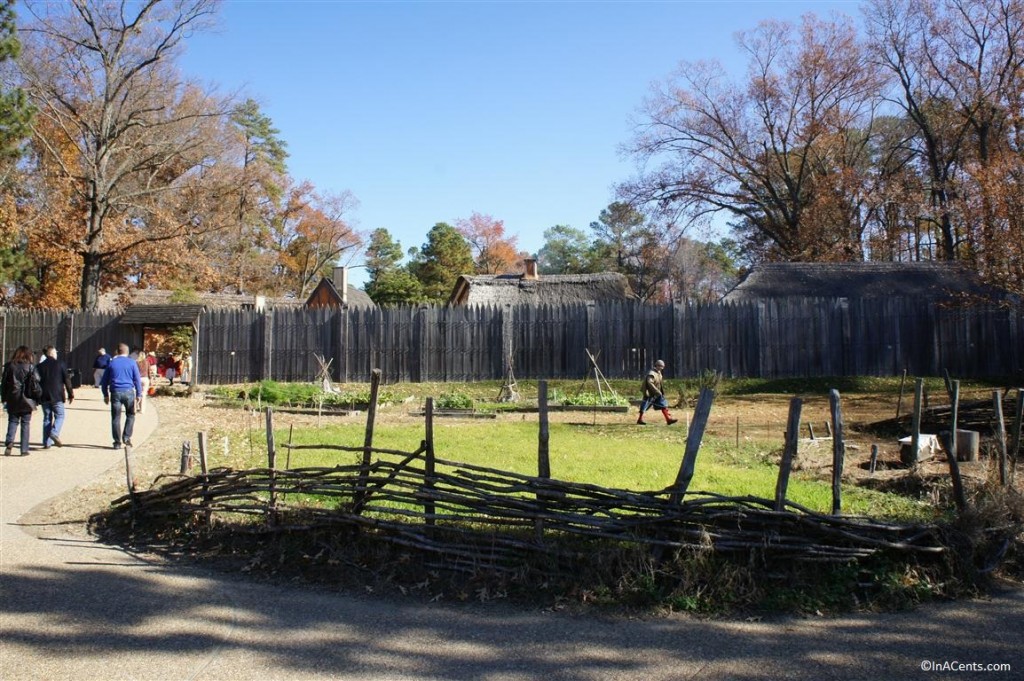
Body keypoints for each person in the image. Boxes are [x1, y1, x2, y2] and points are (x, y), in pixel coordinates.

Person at [1, 346, 42, 456]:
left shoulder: (9, 366)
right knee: (25, 423)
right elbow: (37, 381)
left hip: (13, 398)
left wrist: (3, 398)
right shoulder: (30, 367)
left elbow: (4, 383)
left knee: (13, 421)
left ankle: (9, 441)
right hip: (27, 399)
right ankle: (24, 449)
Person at [101, 343, 143, 449]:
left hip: (115, 392)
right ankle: (127, 437)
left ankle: (117, 442)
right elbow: (137, 379)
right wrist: (139, 394)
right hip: (129, 391)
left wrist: (105, 395)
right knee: (131, 415)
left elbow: (104, 381)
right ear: (127, 352)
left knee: (115, 417)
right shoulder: (132, 363)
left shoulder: (111, 363)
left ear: (117, 351)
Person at [37, 345, 74, 449]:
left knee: (47, 418)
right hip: (57, 395)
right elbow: (67, 380)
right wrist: (70, 394)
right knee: (60, 415)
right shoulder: (60, 364)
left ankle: (46, 442)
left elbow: (36, 382)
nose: (57, 354)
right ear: (52, 353)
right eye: (56, 353)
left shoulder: (39, 366)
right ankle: (54, 432)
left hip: (44, 395)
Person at [637, 359, 678, 426]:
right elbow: (649, 383)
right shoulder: (651, 373)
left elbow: (659, 383)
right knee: (644, 406)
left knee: (663, 405)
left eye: (662, 366)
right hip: (650, 393)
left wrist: (659, 392)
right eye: (660, 366)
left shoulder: (658, 373)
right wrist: (656, 391)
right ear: (657, 365)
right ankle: (640, 419)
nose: (662, 368)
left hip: (657, 393)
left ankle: (668, 419)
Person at [132, 349, 150, 414]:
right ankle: (142, 409)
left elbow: (134, 371)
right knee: (143, 394)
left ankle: (134, 408)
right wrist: (150, 378)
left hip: (137, 378)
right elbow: (149, 371)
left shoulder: (136, 362)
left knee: (136, 393)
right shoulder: (147, 362)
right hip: (145, 378)